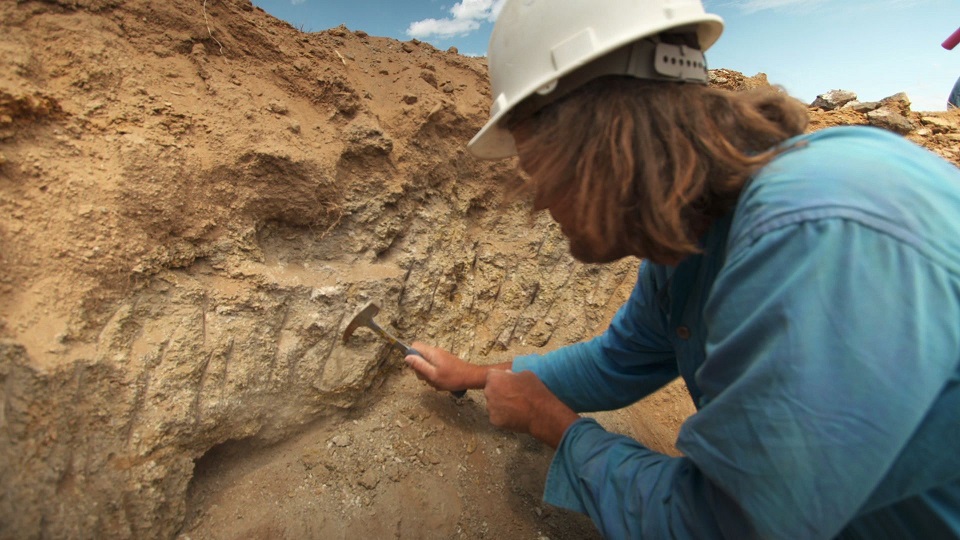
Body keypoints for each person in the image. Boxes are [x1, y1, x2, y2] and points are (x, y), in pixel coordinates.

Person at [405, 1, 960, 538]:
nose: (542, 200)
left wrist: (556, 428)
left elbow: (726, 523)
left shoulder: (811, 239)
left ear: (598, 140)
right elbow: (619, 360)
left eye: (539, 169)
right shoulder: (701, 231)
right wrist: (475, 374)